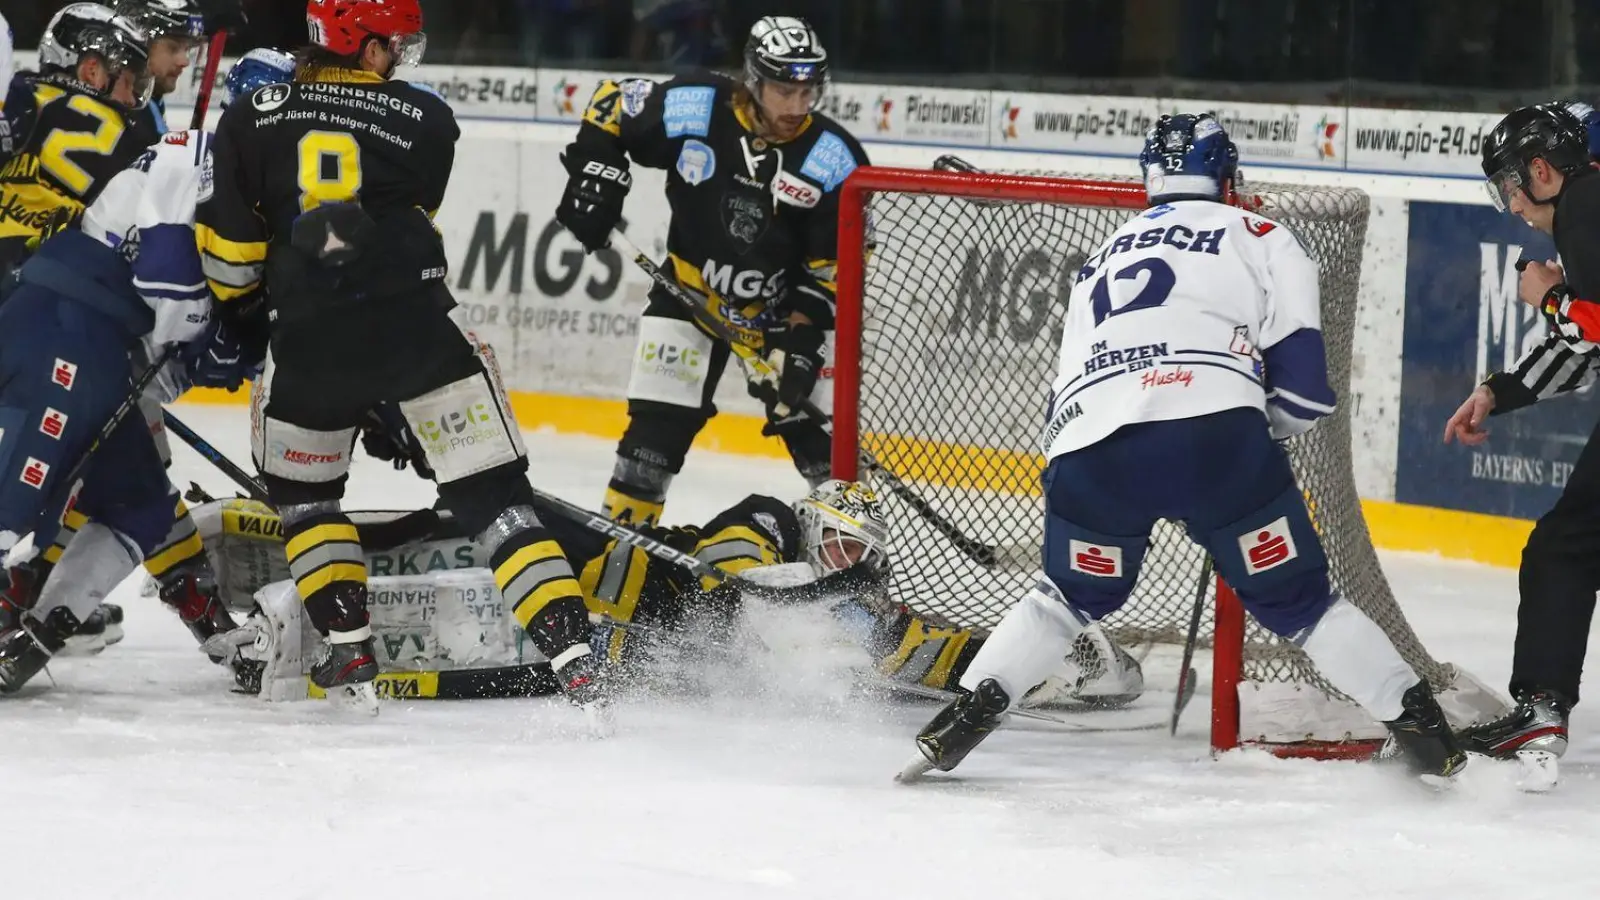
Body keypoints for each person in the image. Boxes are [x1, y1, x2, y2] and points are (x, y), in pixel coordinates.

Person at [904, 113, 1466, 781]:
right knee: (1304, 607)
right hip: (1215, 445)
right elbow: (1307, 395)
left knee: (1062, 600)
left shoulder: (1102, 256)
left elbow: (1063, 402)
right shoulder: (1261, 232)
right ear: (1228, 176)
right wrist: (1243, 444)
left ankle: (964, 717)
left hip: (1088, 457)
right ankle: (1431, 740)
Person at [196, 0, 605, 717]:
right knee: (496, 504)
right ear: (366, 46)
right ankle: (573, 655)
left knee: (308, 504)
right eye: (394, 46)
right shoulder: (426, 118)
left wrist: (243, 318)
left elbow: (231, 258)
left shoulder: (250, 113)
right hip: (419, 334)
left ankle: (351, 653)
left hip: (308, 344)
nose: (401, 58)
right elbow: (404, 215)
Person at [0, 48, 279, 693]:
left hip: (107, 348)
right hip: (73, 325)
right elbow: (165, 280)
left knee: (137, 504)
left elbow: (177, 344)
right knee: (15, 499)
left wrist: (212, 351)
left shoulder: (248, 190)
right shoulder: (196, 155)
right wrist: (214, 344)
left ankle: (39, 629)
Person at [555, 15, 870, 527]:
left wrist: (801, 344)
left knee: (826, 457)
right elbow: (611, 102)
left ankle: (858, 577)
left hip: (779, 317)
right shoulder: (697, 105)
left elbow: (832, 271)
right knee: (648, 446)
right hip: (688, 296)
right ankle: (618, 567)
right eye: (783, 90)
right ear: (753, 79)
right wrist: (597, 173)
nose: (797, 105)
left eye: (808, 91)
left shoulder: (833, 159)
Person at [1443, 103, 1600, 763]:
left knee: (1564, 549)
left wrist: (1549, 298)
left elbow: (1590, 326)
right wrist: (1496, 392)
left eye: (1509, 185)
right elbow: (1583, 345)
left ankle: (1539, 713)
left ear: (1541, 169)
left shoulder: (1585, 202)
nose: (1509, 204)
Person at [0, 3, 157, 275]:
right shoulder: (131, 135)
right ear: (92, 71)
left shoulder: (18, 94)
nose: (131, 98)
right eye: (128, 83)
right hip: (52, 275)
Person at [114, 0, 206, 135]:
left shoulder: (149, 104)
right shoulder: (131, 113)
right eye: (173, 48)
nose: (185, 61)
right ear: (140, 42)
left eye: (187, 49)